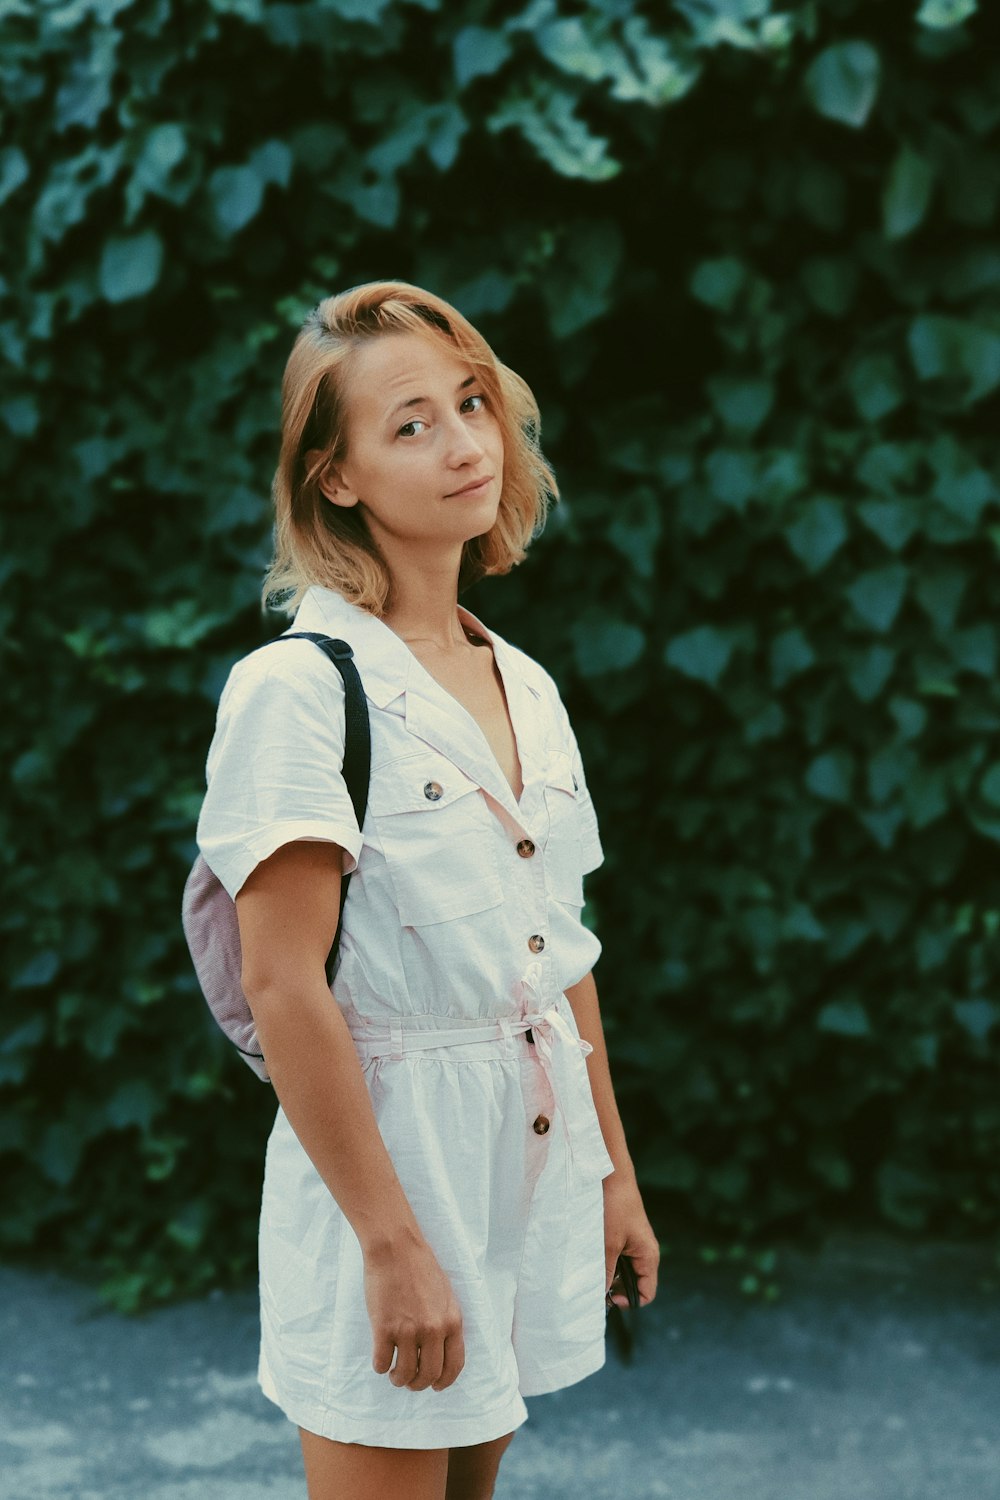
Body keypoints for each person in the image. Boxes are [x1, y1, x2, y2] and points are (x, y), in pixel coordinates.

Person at [194, 280, 659, 1500]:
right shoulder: (298, 690)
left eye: (472, 403)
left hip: (529, 1151)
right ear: (333, 476)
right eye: (409, 423)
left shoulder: (526, 684)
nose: (463, 443)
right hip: (391, 1169)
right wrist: (390, 1244)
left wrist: (614, 1176)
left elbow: (562, 956)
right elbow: (283, 982)